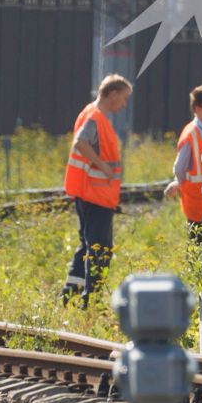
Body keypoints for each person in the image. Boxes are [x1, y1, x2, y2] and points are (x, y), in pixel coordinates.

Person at [62, 74, 131, 307]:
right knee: (100, 248)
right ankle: (91, 301)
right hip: (95, 195)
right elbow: (81, 143)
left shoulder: (92, 114)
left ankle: (71, 292)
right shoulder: (95, 117)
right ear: (112, 94)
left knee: (86, 245)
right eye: (123, 98)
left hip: (90, 193)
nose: (124, 104)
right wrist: (104, 167)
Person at [163, 84, 202, 242]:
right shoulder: (191, 134)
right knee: (199, 244)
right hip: (195, 199)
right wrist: (178, 183)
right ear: (197, 109)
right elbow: (180, 167)